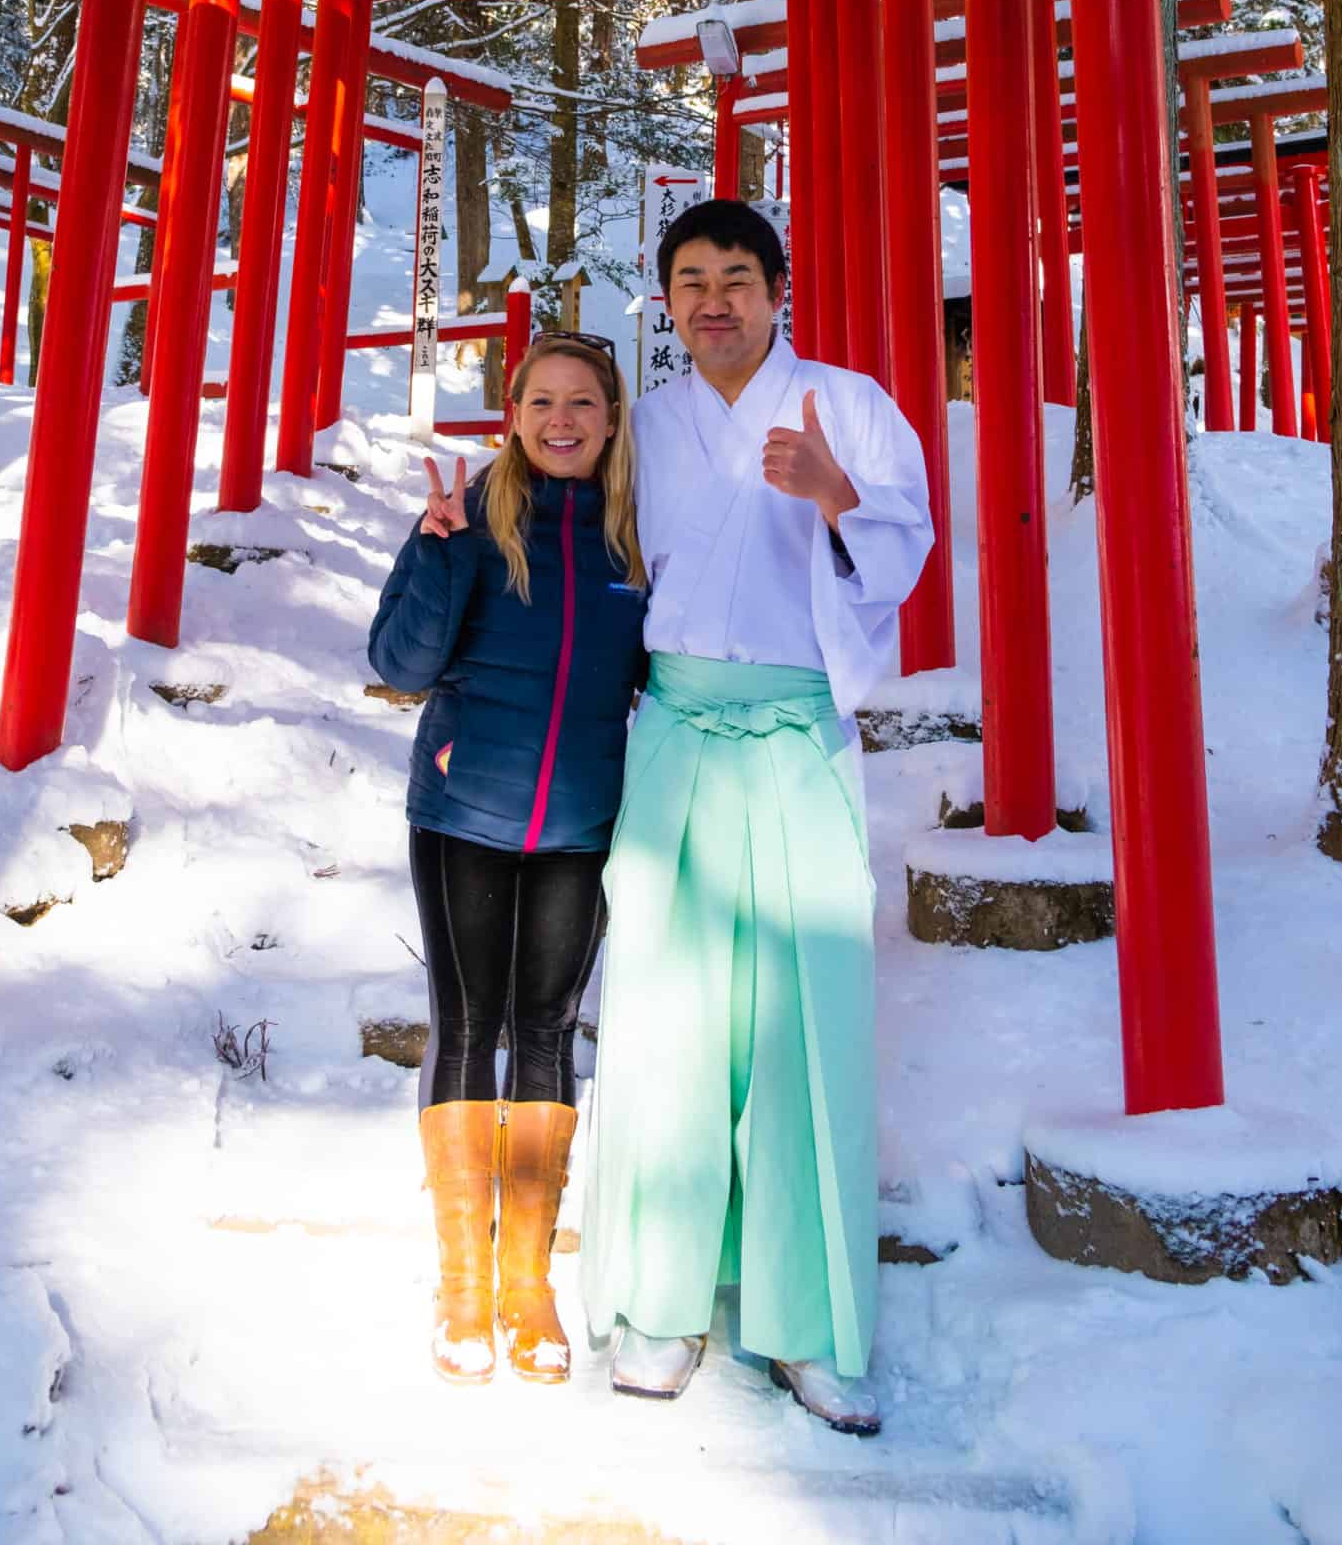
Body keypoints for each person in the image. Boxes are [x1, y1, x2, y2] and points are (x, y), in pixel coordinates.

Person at [582, 198, 933, 1437]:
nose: (714, 298)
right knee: (666, 1022)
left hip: (792, 742)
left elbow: (905, 554)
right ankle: (660, 1304)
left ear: (779, 291)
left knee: (805, 1029)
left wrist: (840, 494)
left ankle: (811, 1326)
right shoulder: (651, 426)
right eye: (691, 279)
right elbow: (593, 556)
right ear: (666, 301)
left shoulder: (849, 405)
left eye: (738, 275)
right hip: (676, 734)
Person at [369, 332, 648, 1388]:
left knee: (545, 1030)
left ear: (612, 418)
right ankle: (461, 1283)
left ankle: (526, 1281)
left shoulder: (632, 542)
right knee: (469, 1023)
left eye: (583, 402)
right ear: (514, 413)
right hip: (461, 811)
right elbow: (397, 662)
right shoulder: (472, 522)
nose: (562, 419)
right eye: (541, 401)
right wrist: (435, 547)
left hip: (580, 823)